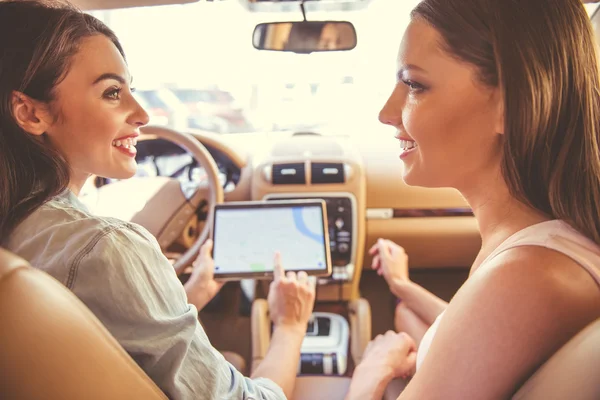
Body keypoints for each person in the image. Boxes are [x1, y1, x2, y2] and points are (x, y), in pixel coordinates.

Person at [0, 1, 313, 399]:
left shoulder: (22, 228)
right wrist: (290, 327)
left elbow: (98, 330)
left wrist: (180, 296)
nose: (143, 113)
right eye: (112, 92)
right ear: (29, 113)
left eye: (132, 89)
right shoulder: (108, 247)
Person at [346, 0, 600, 398]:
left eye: (414, 85)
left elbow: (493, 312)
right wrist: (404, 286)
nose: (386, 112)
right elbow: (475, 325)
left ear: (511, 105)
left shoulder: (528, 277)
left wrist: (370, 372)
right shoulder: (540, 249)